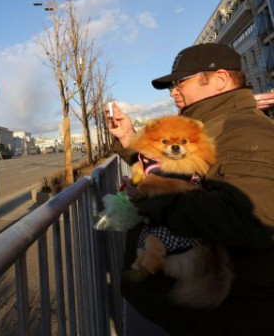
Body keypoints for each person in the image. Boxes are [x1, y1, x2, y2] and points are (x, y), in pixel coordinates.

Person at [107, 43, 274, 335]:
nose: (174, 92)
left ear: (220, 79)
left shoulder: (244, 129)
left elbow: (251, 216)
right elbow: (175, 167)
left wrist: (154, 198)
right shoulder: (207, 125)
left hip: (212, 317)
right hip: (182, 310)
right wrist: (129, 138)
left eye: (180, 82)